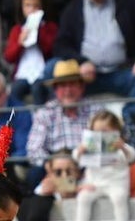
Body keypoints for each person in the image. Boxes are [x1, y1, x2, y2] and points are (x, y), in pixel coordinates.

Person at [38, 0, 135, 116]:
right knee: (51, 70)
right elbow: (60, 45)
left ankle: (131, 121)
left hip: (123, 72)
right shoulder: (73, 8)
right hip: (84, 77)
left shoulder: (129, 1)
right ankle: (61, 119)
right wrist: (81, 62)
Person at [26, 59, 100, 190]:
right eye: (62, 86)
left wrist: (81, 163)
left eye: (72, 84)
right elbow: (33, 150)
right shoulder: (45, 113)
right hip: (56, 168)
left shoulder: (96, 110)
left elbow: (105, 143)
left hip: (88, 165)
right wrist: (50, 165)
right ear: (55, 90)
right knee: (34, 174)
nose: (68, 90)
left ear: (81, 87)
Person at [72, 109, 135, 221]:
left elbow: (132, 156)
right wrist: (80, 150)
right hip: (93, 184)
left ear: (115, 131)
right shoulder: (88, 146)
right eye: (96, 132)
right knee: (83, 198)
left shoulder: (121, 148)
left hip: (116, 184)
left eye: (105, 131)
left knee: (119, 198)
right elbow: (76, 156)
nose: (100, 135)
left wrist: (122, 147)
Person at [3, 0, 57, 104]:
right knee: (15, 90)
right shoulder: (17, 30)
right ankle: (15, 119)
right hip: (23, 74)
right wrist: (20, 43)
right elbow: (9, 57)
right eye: (27, 5)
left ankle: (40, 118)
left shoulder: (50, 27)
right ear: (22, 8)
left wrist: (38, 34)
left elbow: (51, 49)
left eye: (35, 6)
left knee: (37, 89)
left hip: (42, 73)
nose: (31, 10)